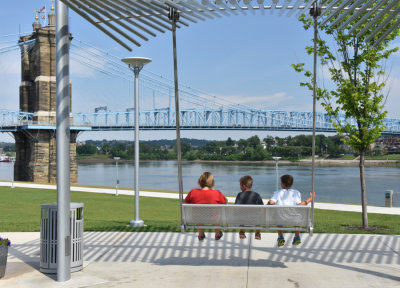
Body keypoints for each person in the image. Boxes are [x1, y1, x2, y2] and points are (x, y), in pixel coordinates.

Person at [267, 174, 313, 247]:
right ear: (291, 184)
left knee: (278, 215)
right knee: (297, 215)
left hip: (280, 219)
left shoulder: (278, 193)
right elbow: (299, 204)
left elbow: (271, 202)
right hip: (294, 219)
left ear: (282, 184)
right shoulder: (296, 192)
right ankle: (297, 236)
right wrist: (310, 199)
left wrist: (270, 202)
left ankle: (281, 236)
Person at [184, 172, 227, 241]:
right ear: (212, 183)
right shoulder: (216, 193)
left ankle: (200, 234)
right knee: (215, 214)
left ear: (200, 182)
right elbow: (225, 202)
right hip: (213, 218)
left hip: (197, 218)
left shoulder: (193, 192)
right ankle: (217, 233)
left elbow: (185, 202)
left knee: (199, 214)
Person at [235, 175, 264, 240]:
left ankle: (242, 232)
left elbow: (236, 208)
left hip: (242, 219)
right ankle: (257, 233)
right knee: (259, 216)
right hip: (255, 219)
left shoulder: (240, 195)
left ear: (244, 186)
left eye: (240, 185)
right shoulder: (256, 195)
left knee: (241, 215)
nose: (240, 187)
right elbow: (262, 208)